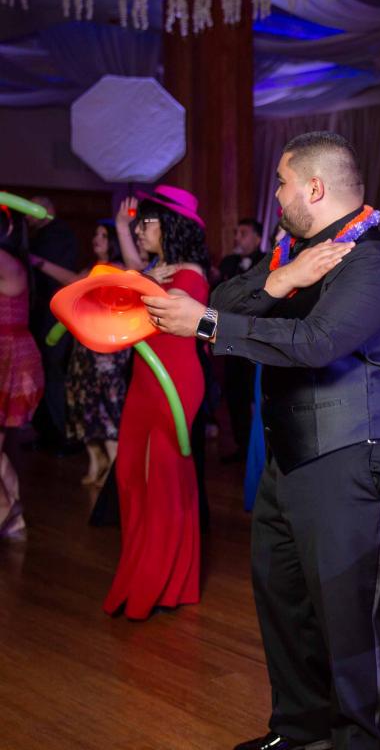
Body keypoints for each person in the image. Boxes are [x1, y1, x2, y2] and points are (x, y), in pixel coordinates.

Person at [144, 131, 380, 750]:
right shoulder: (292, 254)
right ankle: (300, 734)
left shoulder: (375, 261)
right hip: (292, 455)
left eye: (281, 183)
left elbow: (318, 342)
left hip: (357, 456)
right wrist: (281, 279)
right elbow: (225, 299)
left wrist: (208, 324)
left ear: (314, 188)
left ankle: (360, 743)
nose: (275, 195)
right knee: (284, 602)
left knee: (349, 618)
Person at [102, 186, 210, 618]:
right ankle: (138, 574)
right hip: (144, 380)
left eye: (147, 222)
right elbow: (136, 274)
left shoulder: (191, 274)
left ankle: (163, 583)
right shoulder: (155, 269)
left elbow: (159, 307)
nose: (141, 229)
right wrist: (123, 227)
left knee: (164, 479)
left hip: (176, 382)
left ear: (171, 226)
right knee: (131, 475)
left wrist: (132, 280)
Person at [32, 220, 130, 486]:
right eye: (95, 234)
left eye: (103, 235)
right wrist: (39, 263)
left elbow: (78, 284)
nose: (96, 239)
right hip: (85, 348)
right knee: (83, 402)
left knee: (106, 403)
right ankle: (96, 460)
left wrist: (39, 262)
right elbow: (71, 282)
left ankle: (113, 463)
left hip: (108, 350)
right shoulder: (92, 269)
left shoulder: (119, 269)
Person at [0, 208, 44, 540]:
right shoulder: (13, 260)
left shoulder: (5, 260)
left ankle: (7, 512)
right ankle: (13, 518)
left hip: (8, 356)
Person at [26, 195, 78, 455]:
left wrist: (34, 261)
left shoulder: (59, 235)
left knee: (54, 375)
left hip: (56, 317)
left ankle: (62, 435)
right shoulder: (41, 236)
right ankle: (48, 433)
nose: (26, 215)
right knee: (44, 374)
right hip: (43, 316)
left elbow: (68, 279)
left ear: (44, 210)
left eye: (31, 208)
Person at [216, 219, 266, 464]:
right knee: (234, 394)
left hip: (254, 339)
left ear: (257, 238)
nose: (237, 238)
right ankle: (241, 446)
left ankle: (257, 450)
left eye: (243, 233)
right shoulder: (228, 263)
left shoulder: (265, 262)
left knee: (253, 395)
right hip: (228, 338)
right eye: (236, 233)